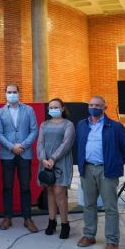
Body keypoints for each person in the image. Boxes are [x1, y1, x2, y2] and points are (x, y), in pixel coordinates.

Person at [76, 95, 125, 249]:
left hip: (107, 171)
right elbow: (78, 145)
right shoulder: (81, 125)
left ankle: (112, 241)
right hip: (87, 169)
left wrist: (114, 164)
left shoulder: (116, 127)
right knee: (88, 204)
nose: (94, 107)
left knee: (110, 207)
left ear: (105, 108)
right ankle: (89, 235)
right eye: (91, 104)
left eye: (98, 105)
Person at [0, 84, 39, 232]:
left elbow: (34, 130)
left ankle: (27, 218)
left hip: (24, 153)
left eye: (14, 92)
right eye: (9, 92)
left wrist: (23, 146)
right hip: (7, 154)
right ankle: (7, 217)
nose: (12, 94)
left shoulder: (29, 110)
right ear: (5, 94)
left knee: (25, 187)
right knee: (7, 186)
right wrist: (11, 147)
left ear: (19, 93)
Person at [37, 98, 75, 239]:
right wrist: (43, 159)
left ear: (62, 108)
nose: (53, 109)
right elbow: (40, 143)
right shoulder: (44, 124)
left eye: (56, 107)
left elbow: (66, 144)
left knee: (60, 192)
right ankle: (51, 221)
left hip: (61, 161)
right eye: (51, 107)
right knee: (50, 192)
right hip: (46, 162)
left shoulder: (68, 125)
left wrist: (53, 158)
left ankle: (65, 223)